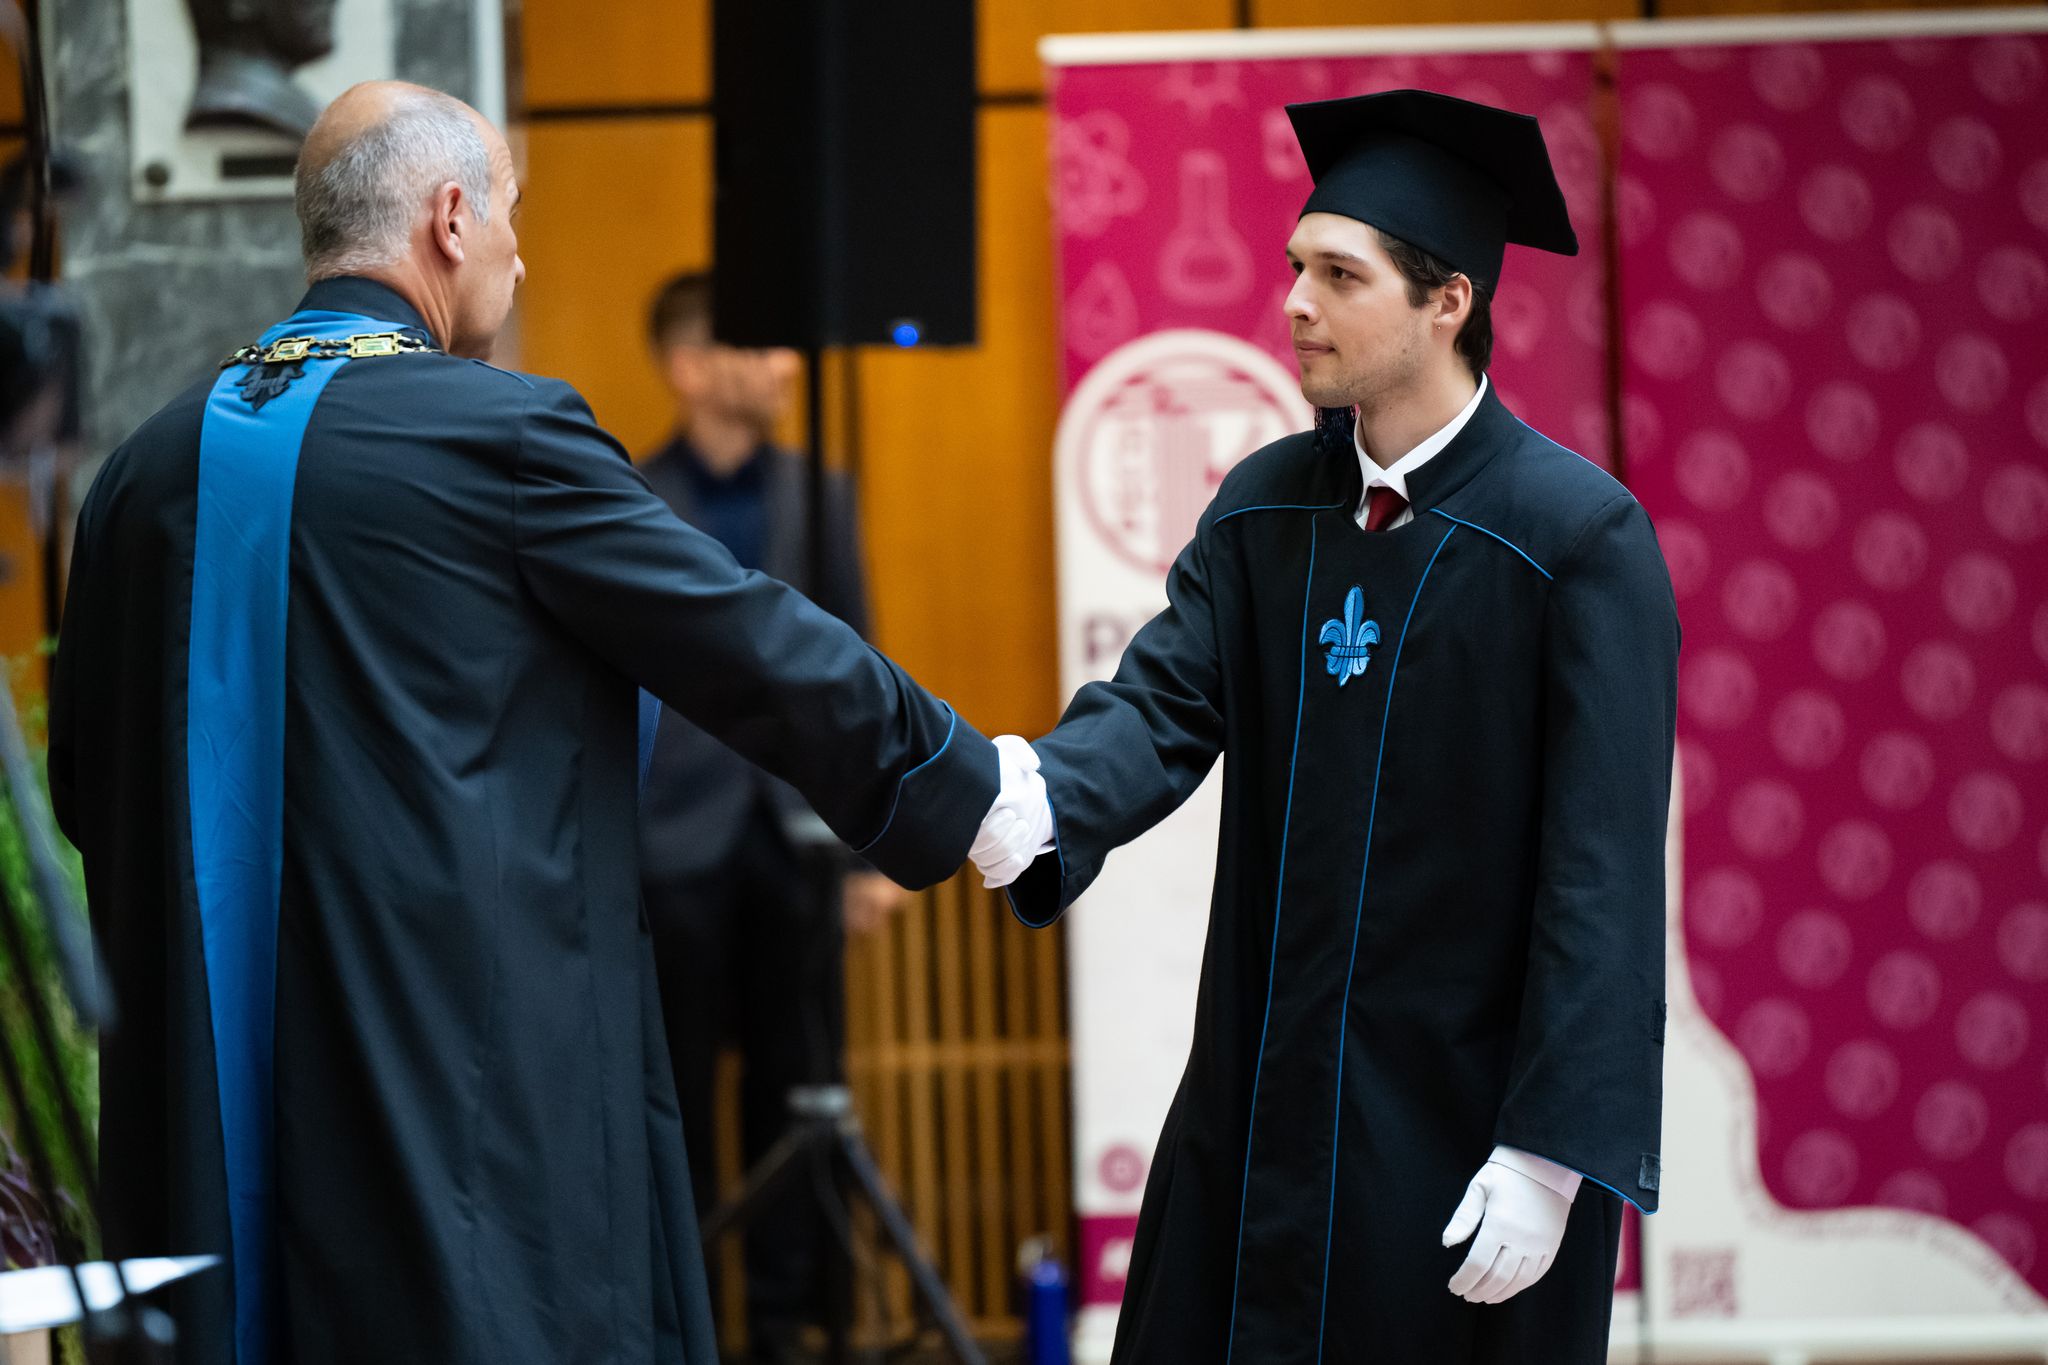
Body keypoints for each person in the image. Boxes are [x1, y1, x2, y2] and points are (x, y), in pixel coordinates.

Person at [48, 81, 1036, 1365]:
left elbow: (85, 788)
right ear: (452, 218)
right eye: (513, 215)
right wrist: (968, 787)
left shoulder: (141, 472)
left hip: (197, 1106)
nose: (522, 257)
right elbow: (745, 637)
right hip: (446, 1092)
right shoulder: (501, 434)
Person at [972, 90, 1679, 1363]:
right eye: (1295, 266)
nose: (1294, 302)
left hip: (1460, 1132)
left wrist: (1549, 1152)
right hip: (1257, 1114)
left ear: (1446, 302)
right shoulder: (1263, 509)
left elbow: (1603, 873)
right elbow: (1160, 705)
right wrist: (1036, 795)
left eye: (1339, 276)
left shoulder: (1574, 541)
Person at [635, 271, 906, 1363]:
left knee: (801, 1093)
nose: (787, 365)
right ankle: (690, 1327)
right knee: (674, 1102)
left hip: (800, 845)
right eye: (758, 345)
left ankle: (789, 1333)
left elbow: (860, 673)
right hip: (670, 847)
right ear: (689, 366)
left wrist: (870, 851)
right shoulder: (627, 494)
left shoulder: (821, 490)